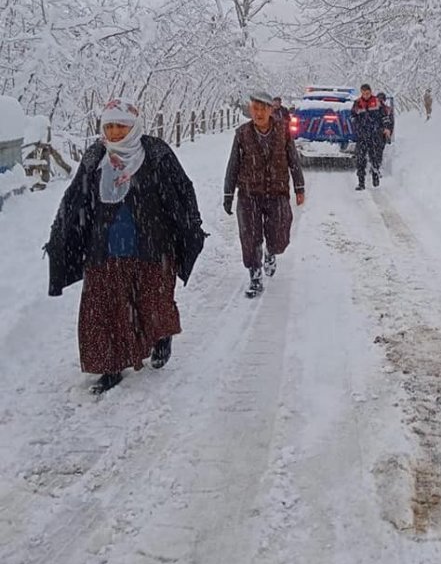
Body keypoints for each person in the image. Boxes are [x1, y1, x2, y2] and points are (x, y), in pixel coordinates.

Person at [45, 98, 206, 395]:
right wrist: (61, 235)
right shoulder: (96, 156)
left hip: (152, 245)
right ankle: (111, 365)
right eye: (110, 126)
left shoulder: (156, 153)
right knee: (105, 310)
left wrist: (189, 226)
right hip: (105, 248)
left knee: (153, 302)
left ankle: (160, 336)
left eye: (121, 125)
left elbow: (182, 189)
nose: (116, 132)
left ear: (134, 126)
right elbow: (75, 197)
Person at [223, 89, 305, 297]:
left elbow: (293, 158)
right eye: (255, 109)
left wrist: (299, 186)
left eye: (262, 109)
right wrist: (228, 193)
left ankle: (271, 252)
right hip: (249, 192)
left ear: (271, 110)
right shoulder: (242, 133)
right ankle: (255, 275)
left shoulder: (282, 130)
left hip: (277, 191)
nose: (258, 113)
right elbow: (233, 164)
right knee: (250, 236)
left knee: (279, 234)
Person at [351, 83, 386, 190]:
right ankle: (361, 182)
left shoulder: (377, 102)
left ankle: (375, 175)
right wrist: (358, 126)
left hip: (374, 136)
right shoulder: (357, 103)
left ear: (371, 92)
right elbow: (352, 117)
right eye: (364, 93)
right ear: (361, 93)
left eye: (367, 93)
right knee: (360, 160)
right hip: (362, 136)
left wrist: (383, 128)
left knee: (374, 158)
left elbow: (384, 116)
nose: (366, 95)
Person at [377, 91, 394, 167]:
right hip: (380, 133)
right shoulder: (386, 109)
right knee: (378, 151)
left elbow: (388, 122)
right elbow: (390, 122)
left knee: (377, 151)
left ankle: (375, 166)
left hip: (379, 133)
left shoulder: (384, 109)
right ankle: (376, 166)